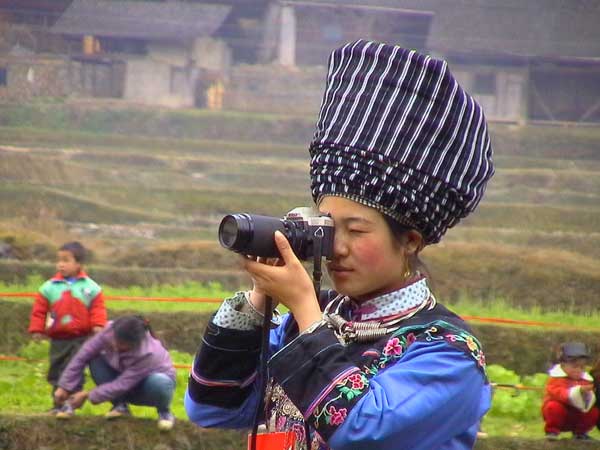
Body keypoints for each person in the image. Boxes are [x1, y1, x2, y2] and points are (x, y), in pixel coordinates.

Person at [186, 39, 494, 450]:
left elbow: (361, 429)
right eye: (330, 228)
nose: (339, 247)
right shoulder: (305, 319)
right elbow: (213, 408)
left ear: (410, 241)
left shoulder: (446, 351)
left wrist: (306, 312)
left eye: (358, 230)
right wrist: (260, 299)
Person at [53, 315, 177, 429]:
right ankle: (120, 405)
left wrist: (87, 395)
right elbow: (83, 355)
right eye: (115, 340)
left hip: (146, 388)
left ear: (135, 344)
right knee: (95, 358)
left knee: (159, 382)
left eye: (122, 344)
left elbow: (123, 384)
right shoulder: (109, 330)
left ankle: (164, 412)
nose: (115, 346)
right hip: (123, 379)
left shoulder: (148, 353)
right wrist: (65, 387)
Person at [27, 241, 107, 415]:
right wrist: (37, 329)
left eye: (66, 260)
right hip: (58, 338)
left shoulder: (90, 287)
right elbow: (39, 310)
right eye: (59, 260)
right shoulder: (49, 287)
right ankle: (57, 405)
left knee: (73, 369)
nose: (61, 264)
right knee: (56, 369)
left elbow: (97, 308)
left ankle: (70, 405)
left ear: (78, 263)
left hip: (81, 338)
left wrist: (98, 325)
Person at [542, 342, 598, 441]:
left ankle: (580, 433)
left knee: (593, 412)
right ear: (563, 365)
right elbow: (559, 393)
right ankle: (552, 431)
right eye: (574, 367)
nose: (578, 370)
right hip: (561, 412)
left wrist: (588, 395)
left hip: (577, 413)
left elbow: (588, 400)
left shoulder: (586, 380)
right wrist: (577, 391)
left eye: (582, 367)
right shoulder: (556, 379)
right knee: (553, 407)